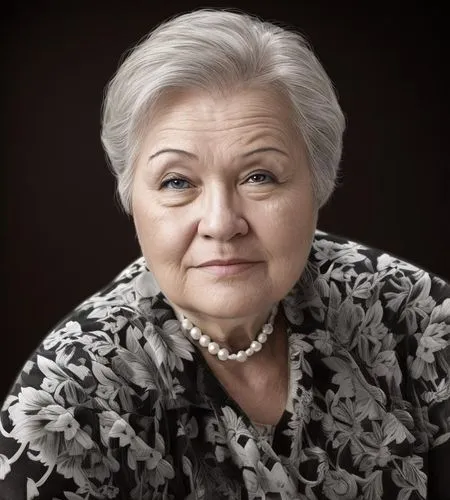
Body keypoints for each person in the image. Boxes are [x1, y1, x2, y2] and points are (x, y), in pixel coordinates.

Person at [0, 7, 448, 499]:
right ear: (132, 200)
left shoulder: (411, 314)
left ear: (316, 184)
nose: (220, 223)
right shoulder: (67, 407)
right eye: (177, 182)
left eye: (259, 176)